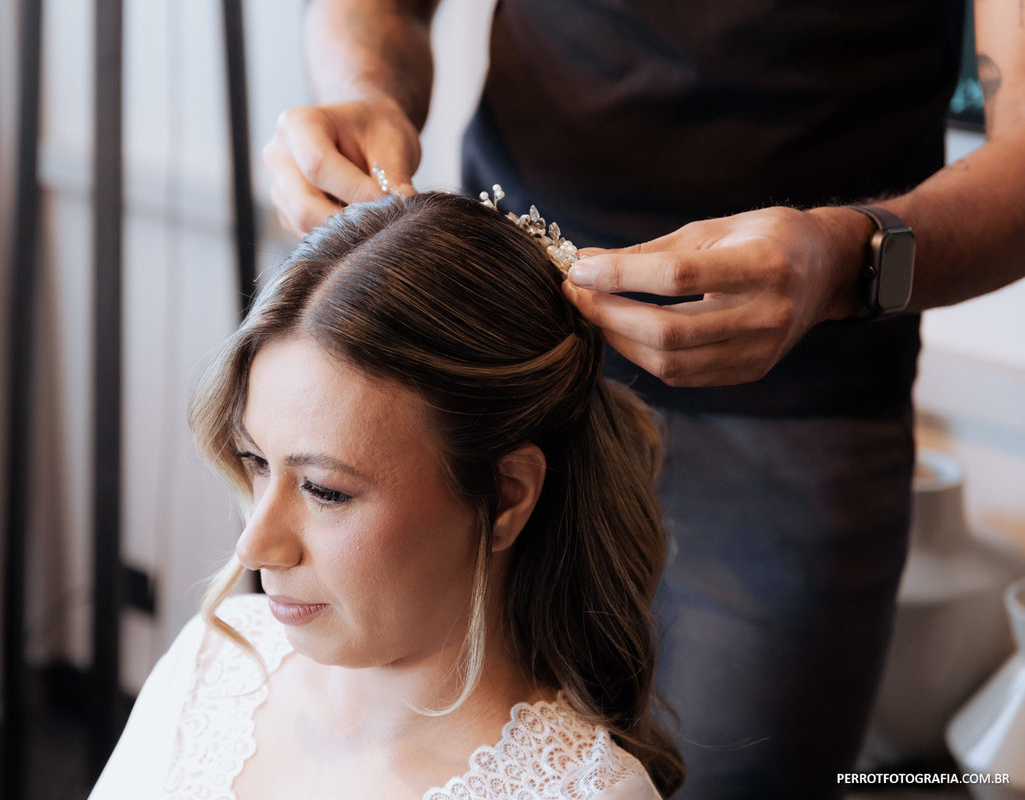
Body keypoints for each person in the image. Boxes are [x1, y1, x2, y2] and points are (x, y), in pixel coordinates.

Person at [260, 1, 1025, 797]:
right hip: (499, 370)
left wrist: (845, 261)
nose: (255, 546)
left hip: (795, 415)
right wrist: (365, 89)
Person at [89, 191, 686, 799]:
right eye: (256, 462)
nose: (254, 546)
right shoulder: (215, 659)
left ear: (505, 495)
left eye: (324, 490)